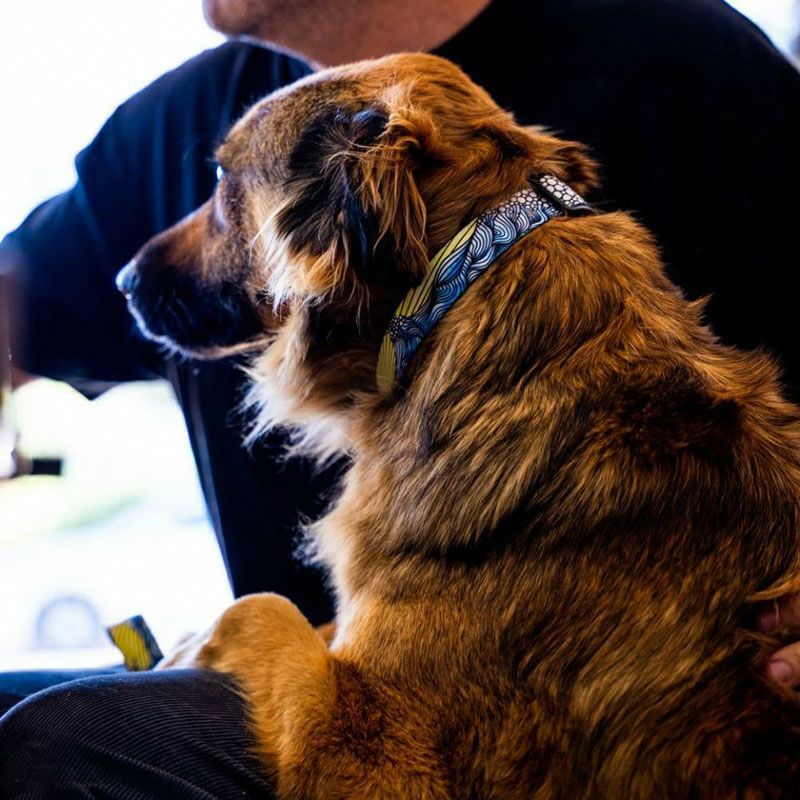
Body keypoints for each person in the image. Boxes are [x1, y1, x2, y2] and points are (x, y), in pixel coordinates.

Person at [1, 0, 800, 796]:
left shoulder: (689, 63)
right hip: (374, 670)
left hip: (441, 737)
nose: (207, 219)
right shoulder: (189, 117)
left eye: (227, 196)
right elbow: (20, 301)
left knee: (63, 743)